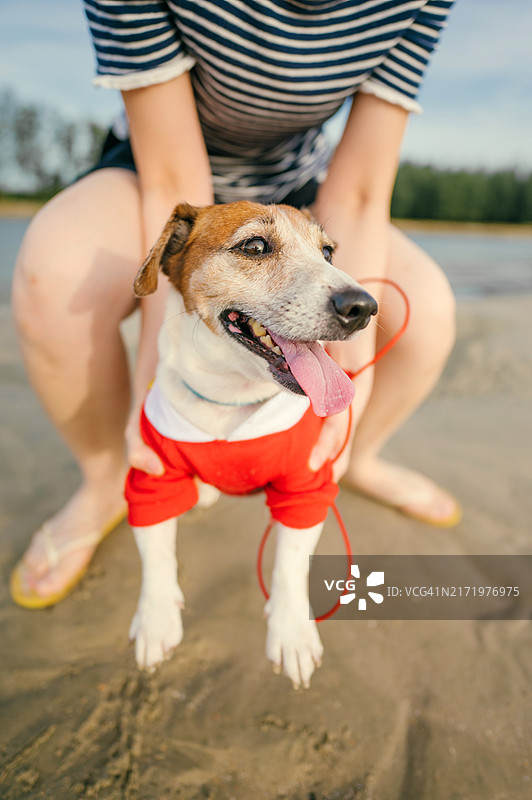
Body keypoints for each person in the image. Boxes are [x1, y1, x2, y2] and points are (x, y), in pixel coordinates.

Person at [10, 0, 459, 608]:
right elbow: (172, 176)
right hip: (157, 170)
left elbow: (358, 190)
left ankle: (358, 456)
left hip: (297, 187)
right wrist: (156, 383)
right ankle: (109, 479)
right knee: (53, 277)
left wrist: (348, 389)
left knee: (429, 312)